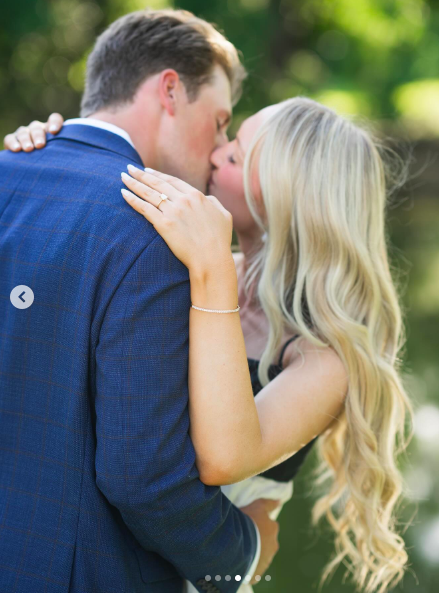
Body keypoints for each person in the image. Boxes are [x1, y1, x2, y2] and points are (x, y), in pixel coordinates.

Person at [8, 94, 415, 593]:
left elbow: (223, 456)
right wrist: (56, 146)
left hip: (203, 571)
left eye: (238, 154)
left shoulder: (327, 353)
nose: (218, 151)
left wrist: (212, 269)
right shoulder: (193, 265)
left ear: (287, 197)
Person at [0, 9, 280, 593]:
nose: (221, 148)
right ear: (171, 90)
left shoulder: (11, 171)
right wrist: (241, 556)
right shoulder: (155, 233)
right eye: (222, 122)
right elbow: (144, 477)